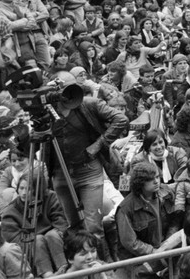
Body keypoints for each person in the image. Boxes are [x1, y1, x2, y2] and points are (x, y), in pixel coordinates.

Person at [49, 83, 128, 257]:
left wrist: (98, 145)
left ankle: (101, 267)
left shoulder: (88, 104)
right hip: (61, 173)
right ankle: (83, 267)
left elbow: (121, 119)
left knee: (93, 226)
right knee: (74, 227)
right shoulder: (46, 109)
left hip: (89, 170)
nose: (65, 97)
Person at [0, 167, 69, 277]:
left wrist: (58, 232)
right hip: (30, 245)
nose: (23, 193)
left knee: (51, 235)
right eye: (21, 188)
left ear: (38, 189)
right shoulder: (12, 210)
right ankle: (48, 274)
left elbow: (60, 220)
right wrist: (32, 240)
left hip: (53, 237)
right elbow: (13, 237)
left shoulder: (50, 197)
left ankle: (62, 267)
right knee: (37, 240)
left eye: (28, 189)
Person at [114, 161, 166, 279]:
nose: (156, 181)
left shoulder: (164, 194)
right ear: (140, 183)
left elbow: (175, 219)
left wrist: (167, 245)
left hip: (162, 250)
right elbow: (130, 243)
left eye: (157, 177)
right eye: (150, 179)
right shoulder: (125, 209)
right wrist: (154, 252)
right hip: (137, 260)